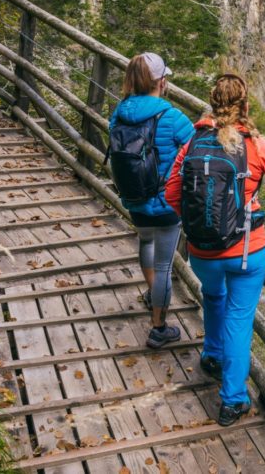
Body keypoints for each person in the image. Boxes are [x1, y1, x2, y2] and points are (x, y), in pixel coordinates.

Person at [165, 74, 265, 426]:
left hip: (202, 251)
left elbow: (171, 193)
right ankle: (232, 399)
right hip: (246, 252)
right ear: (245, 106)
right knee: (239, 319)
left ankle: (212, 354)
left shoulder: (195, 140)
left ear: (213, 104)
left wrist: (200, 221)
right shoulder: (254, 145)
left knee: (214, 297)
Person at [109, 52, 194, 348]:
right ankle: (159, 327)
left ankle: (152, 294)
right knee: (164, 267)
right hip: (167, 203)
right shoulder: (170, 116)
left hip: (134, 198)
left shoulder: (119, 112)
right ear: (161, 81)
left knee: (146, 243)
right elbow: (196, 149)